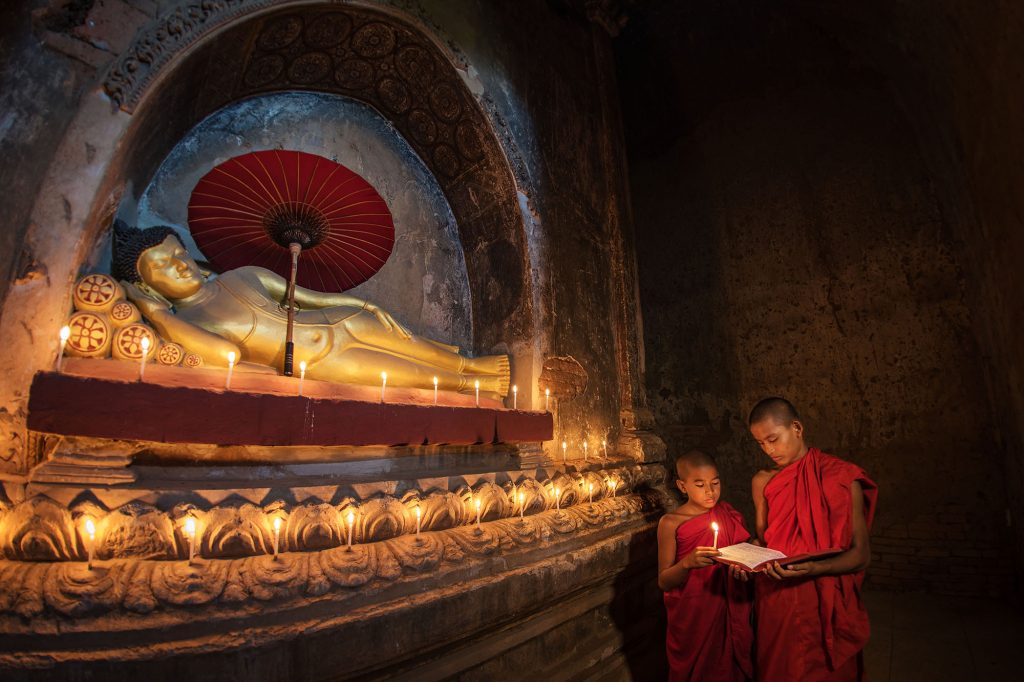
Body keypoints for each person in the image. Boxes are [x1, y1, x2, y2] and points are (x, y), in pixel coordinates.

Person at [112, 223, 509, 397]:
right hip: (323, 360)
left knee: (419, 346)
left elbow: (310, 297)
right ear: (146, 285)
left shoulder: (241, 275)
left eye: (178, 253)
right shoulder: (189, 322)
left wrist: (367, 304)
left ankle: (479, 367)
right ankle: (480, 387)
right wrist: (159, 316)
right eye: (162, 264)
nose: (180, 264)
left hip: (341, 322)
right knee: (419, 378)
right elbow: (227, 356)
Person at [748, 397, 878, 681]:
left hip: (824, 595)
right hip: (777, 597)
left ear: (797, 428)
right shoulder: (762, 481)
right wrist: (745, 557)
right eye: (760, 443)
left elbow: (861, 555)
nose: (769, 450)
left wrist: (815, 568)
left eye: (773, 439)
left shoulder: (841, 476)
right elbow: (764, 541)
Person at [657, 449, 754, 682]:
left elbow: (743, 555)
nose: (710, 492)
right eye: (700, 485)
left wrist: (743, 571)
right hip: (693, 615)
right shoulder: (671, 523)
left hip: (727, 603)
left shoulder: (728, 514)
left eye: (715, 483)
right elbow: (663, 581)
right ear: (682, 486)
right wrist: (687, 564)